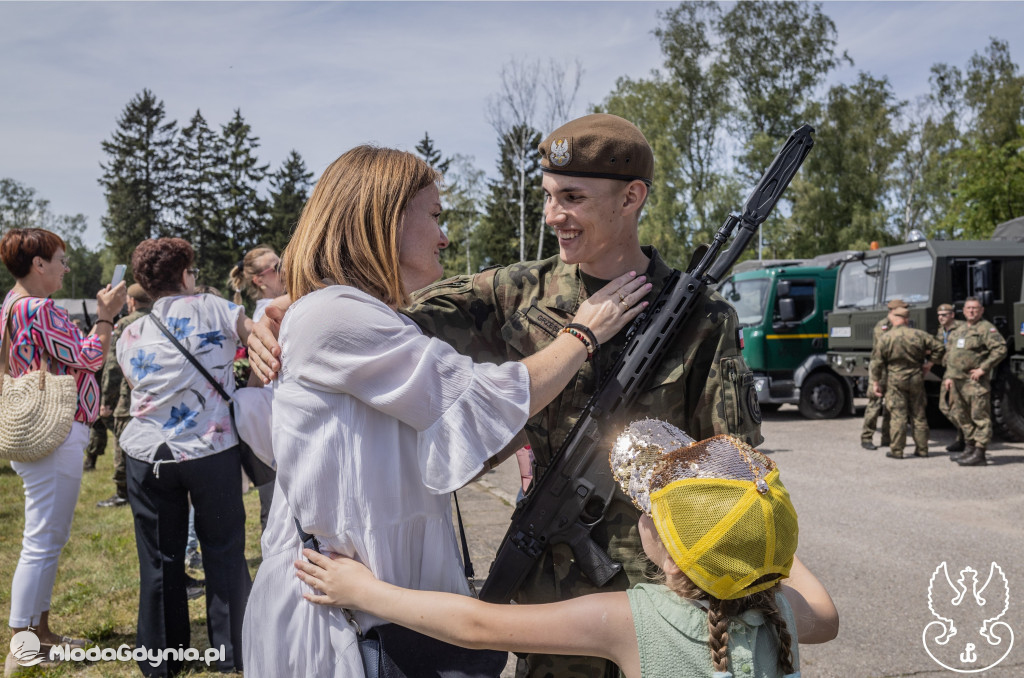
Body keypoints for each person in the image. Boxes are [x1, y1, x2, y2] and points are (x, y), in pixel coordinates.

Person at [248, 113, 762, 678]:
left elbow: (735, 471)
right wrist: (278, 314)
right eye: (546, 196)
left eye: (572, 197)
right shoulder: (511, 294)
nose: (552, 216)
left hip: (661, 587)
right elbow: (383, 313)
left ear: (631, 197)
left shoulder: (699, 318)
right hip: (548, 593)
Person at [294, 425, 838, 678]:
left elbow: (477, 626)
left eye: (647, 514)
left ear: (663, 548)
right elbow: (825, 614)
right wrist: (752, 516)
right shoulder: (780, 616)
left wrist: (366, 592)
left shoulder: (637, 619)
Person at [116, 238, 253, 676]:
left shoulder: (131, 330)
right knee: (225, 551)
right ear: (186, 272)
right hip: (210, 448)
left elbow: (137, 385)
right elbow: (257, 338)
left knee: (159, 559)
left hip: (147, 452)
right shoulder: (214, 308)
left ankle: (160, 659)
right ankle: (233, 651)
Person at [0, 228, 126, 673]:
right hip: (56, 432)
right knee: (42, 540)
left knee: (47, 536)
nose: (66, 267)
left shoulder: (10, 306)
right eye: (61, 259)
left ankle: (40, 632)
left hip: (36, 429)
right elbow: (90, 357)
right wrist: (107, 316)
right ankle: (23, 644)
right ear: (39, 265)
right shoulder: (40, 308)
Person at [228, 246, 284, 532]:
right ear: (259, 281)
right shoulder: (269, 312)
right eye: (275, 267)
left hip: (273, 411)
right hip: (275, 414)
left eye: (282, 262)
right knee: (278, 501)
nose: (283, 269)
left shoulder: (273, 308)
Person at [96, 283, 152, 508]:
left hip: (128, 395)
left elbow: (112, 367)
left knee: (122, 440)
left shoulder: (125, 324)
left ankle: (122, 491)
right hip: (156, 393)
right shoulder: (160, 320)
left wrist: (107, 401)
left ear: (132, 301)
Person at [869, 307, 945, 459]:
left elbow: (876, 362)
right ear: (907, 319)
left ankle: (897, 450)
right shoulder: (919, 334)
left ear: (896, 318)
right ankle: (922, 449)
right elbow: (940, 348)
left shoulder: (886, 338)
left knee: (898, 415)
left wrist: (875, 382)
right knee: (919, 414)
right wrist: (929, 364)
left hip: (896, 379)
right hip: (916, 377)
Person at [943, 297, 1008, 467]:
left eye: (975, 308)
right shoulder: (959, 329)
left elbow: (1000, 349)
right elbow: (951, 356)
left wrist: (983, 368)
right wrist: (949, 376)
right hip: (957, 381)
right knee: (961, 416)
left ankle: (980, 453)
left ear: (981, 311)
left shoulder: (986, 329)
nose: (971, 311)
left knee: (979, 417)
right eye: (968, 308)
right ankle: (969, 448)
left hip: (974, 382)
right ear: (963, 311)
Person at [861, 299, 907, 450]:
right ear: (893, 310)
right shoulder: (883, 326)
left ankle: (886, 438)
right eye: (902, 309)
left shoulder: (904, 324)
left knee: (891, 405)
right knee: (874, 404)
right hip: (880, 370)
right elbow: (884, 349)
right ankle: (867, 437)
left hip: (895, 370)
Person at [934, 303, 966, 453]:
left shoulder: (962, 328)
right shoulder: (941, 330)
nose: (941, 318)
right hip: (948, 370)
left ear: (952, 315)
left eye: (944, 315)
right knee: (945, 406)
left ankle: (967, 438)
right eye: (939, 315)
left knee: (956, 407)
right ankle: (964, 437)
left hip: (958, 372)